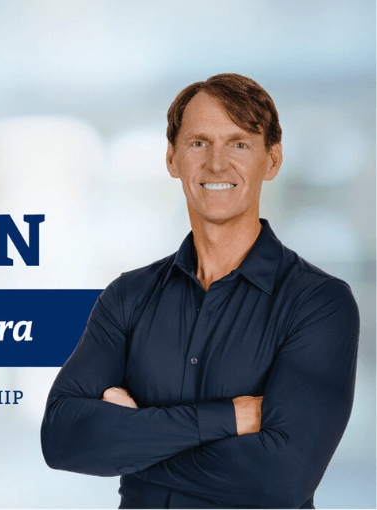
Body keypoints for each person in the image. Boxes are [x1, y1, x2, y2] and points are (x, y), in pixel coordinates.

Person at [40, 74, 359, 509]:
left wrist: (135, 443)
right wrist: (231, 418)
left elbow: (281, 478)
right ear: (173, 159)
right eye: (198, 143)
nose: (217, 164)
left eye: (239, 144)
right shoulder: (128, 297)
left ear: (272, 160)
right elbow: (61, 439)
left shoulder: (318, 303)